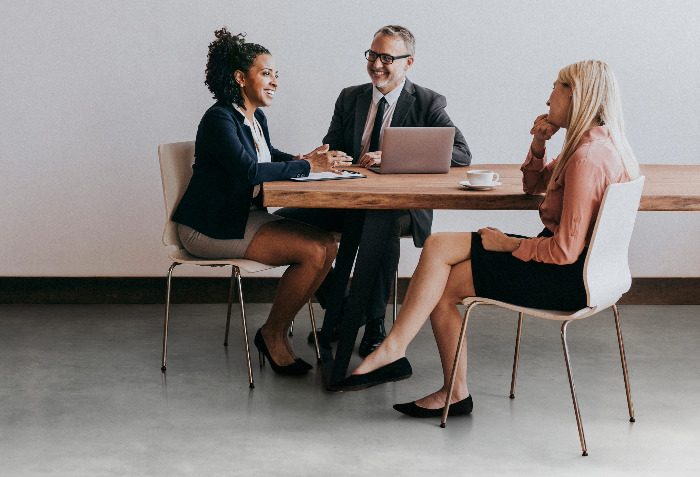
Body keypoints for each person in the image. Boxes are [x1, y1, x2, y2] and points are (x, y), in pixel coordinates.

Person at [335, 60, 640, 418]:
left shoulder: (587, 159)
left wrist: (509, 245)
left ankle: (449, 388)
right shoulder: (595, 145)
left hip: (565, 277)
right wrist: (539, 143)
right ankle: (394, 349)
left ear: (576, 95)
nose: (547, 99)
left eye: (556, 87)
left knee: (444, 287)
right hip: (586, 270)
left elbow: (564, 251)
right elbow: (533, 186)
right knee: (438, 245)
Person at [277, 25, 471, 356]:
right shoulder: (350, 97)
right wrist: (325, 157)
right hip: (348, 199)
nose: (377, 64)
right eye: (372, 55)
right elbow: (333, 146)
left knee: (381, 225)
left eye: (387, 58)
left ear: (408, 63)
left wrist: (396, 155)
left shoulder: (426, 102)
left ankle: (376, 323)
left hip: (402, 208)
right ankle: (341, 307)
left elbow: (462, 154)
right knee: (282, 222)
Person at [172, 28, 351, 375]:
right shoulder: (219, 118)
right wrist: (305, 166)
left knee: (327, 244)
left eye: (276, 75)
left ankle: (279, 328)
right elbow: (249, 170)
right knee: (314, 251)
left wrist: (305, 159)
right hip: (208, 227)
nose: (274, 82)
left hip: (240, 217)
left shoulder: (255, 117)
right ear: (240, 77)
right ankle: (272, 333)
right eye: (266, 73)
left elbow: (268, 156)